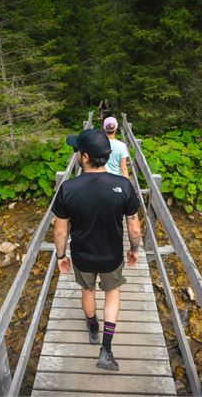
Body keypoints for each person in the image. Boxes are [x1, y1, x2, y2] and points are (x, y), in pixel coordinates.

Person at [52, 128, 141, 371]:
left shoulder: (68, 189)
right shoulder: (123, 186)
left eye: (77, 151)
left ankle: (92, 327)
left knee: (87, 290)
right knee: (112, 294)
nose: (76, 154)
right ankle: (106, 349)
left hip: (82, 255)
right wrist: (134, 249)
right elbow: (134, 227)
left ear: (86, 157)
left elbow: (60, 231)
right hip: (112, 255)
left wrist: (61, 256)